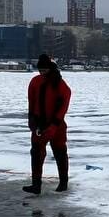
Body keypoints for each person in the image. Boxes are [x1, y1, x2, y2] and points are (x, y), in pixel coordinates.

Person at [23, 54, 72, 194]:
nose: (42, 73)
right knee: (36, 154)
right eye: (40, 70)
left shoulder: (59, 83)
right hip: (39, 123)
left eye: (45, 70)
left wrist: (56, 123)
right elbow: (31, 102)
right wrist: (31, 119)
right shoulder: (35, 82)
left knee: (60, 152)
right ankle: (36, 184)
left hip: (56, 124)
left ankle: (63, 183)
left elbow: (64, 102)